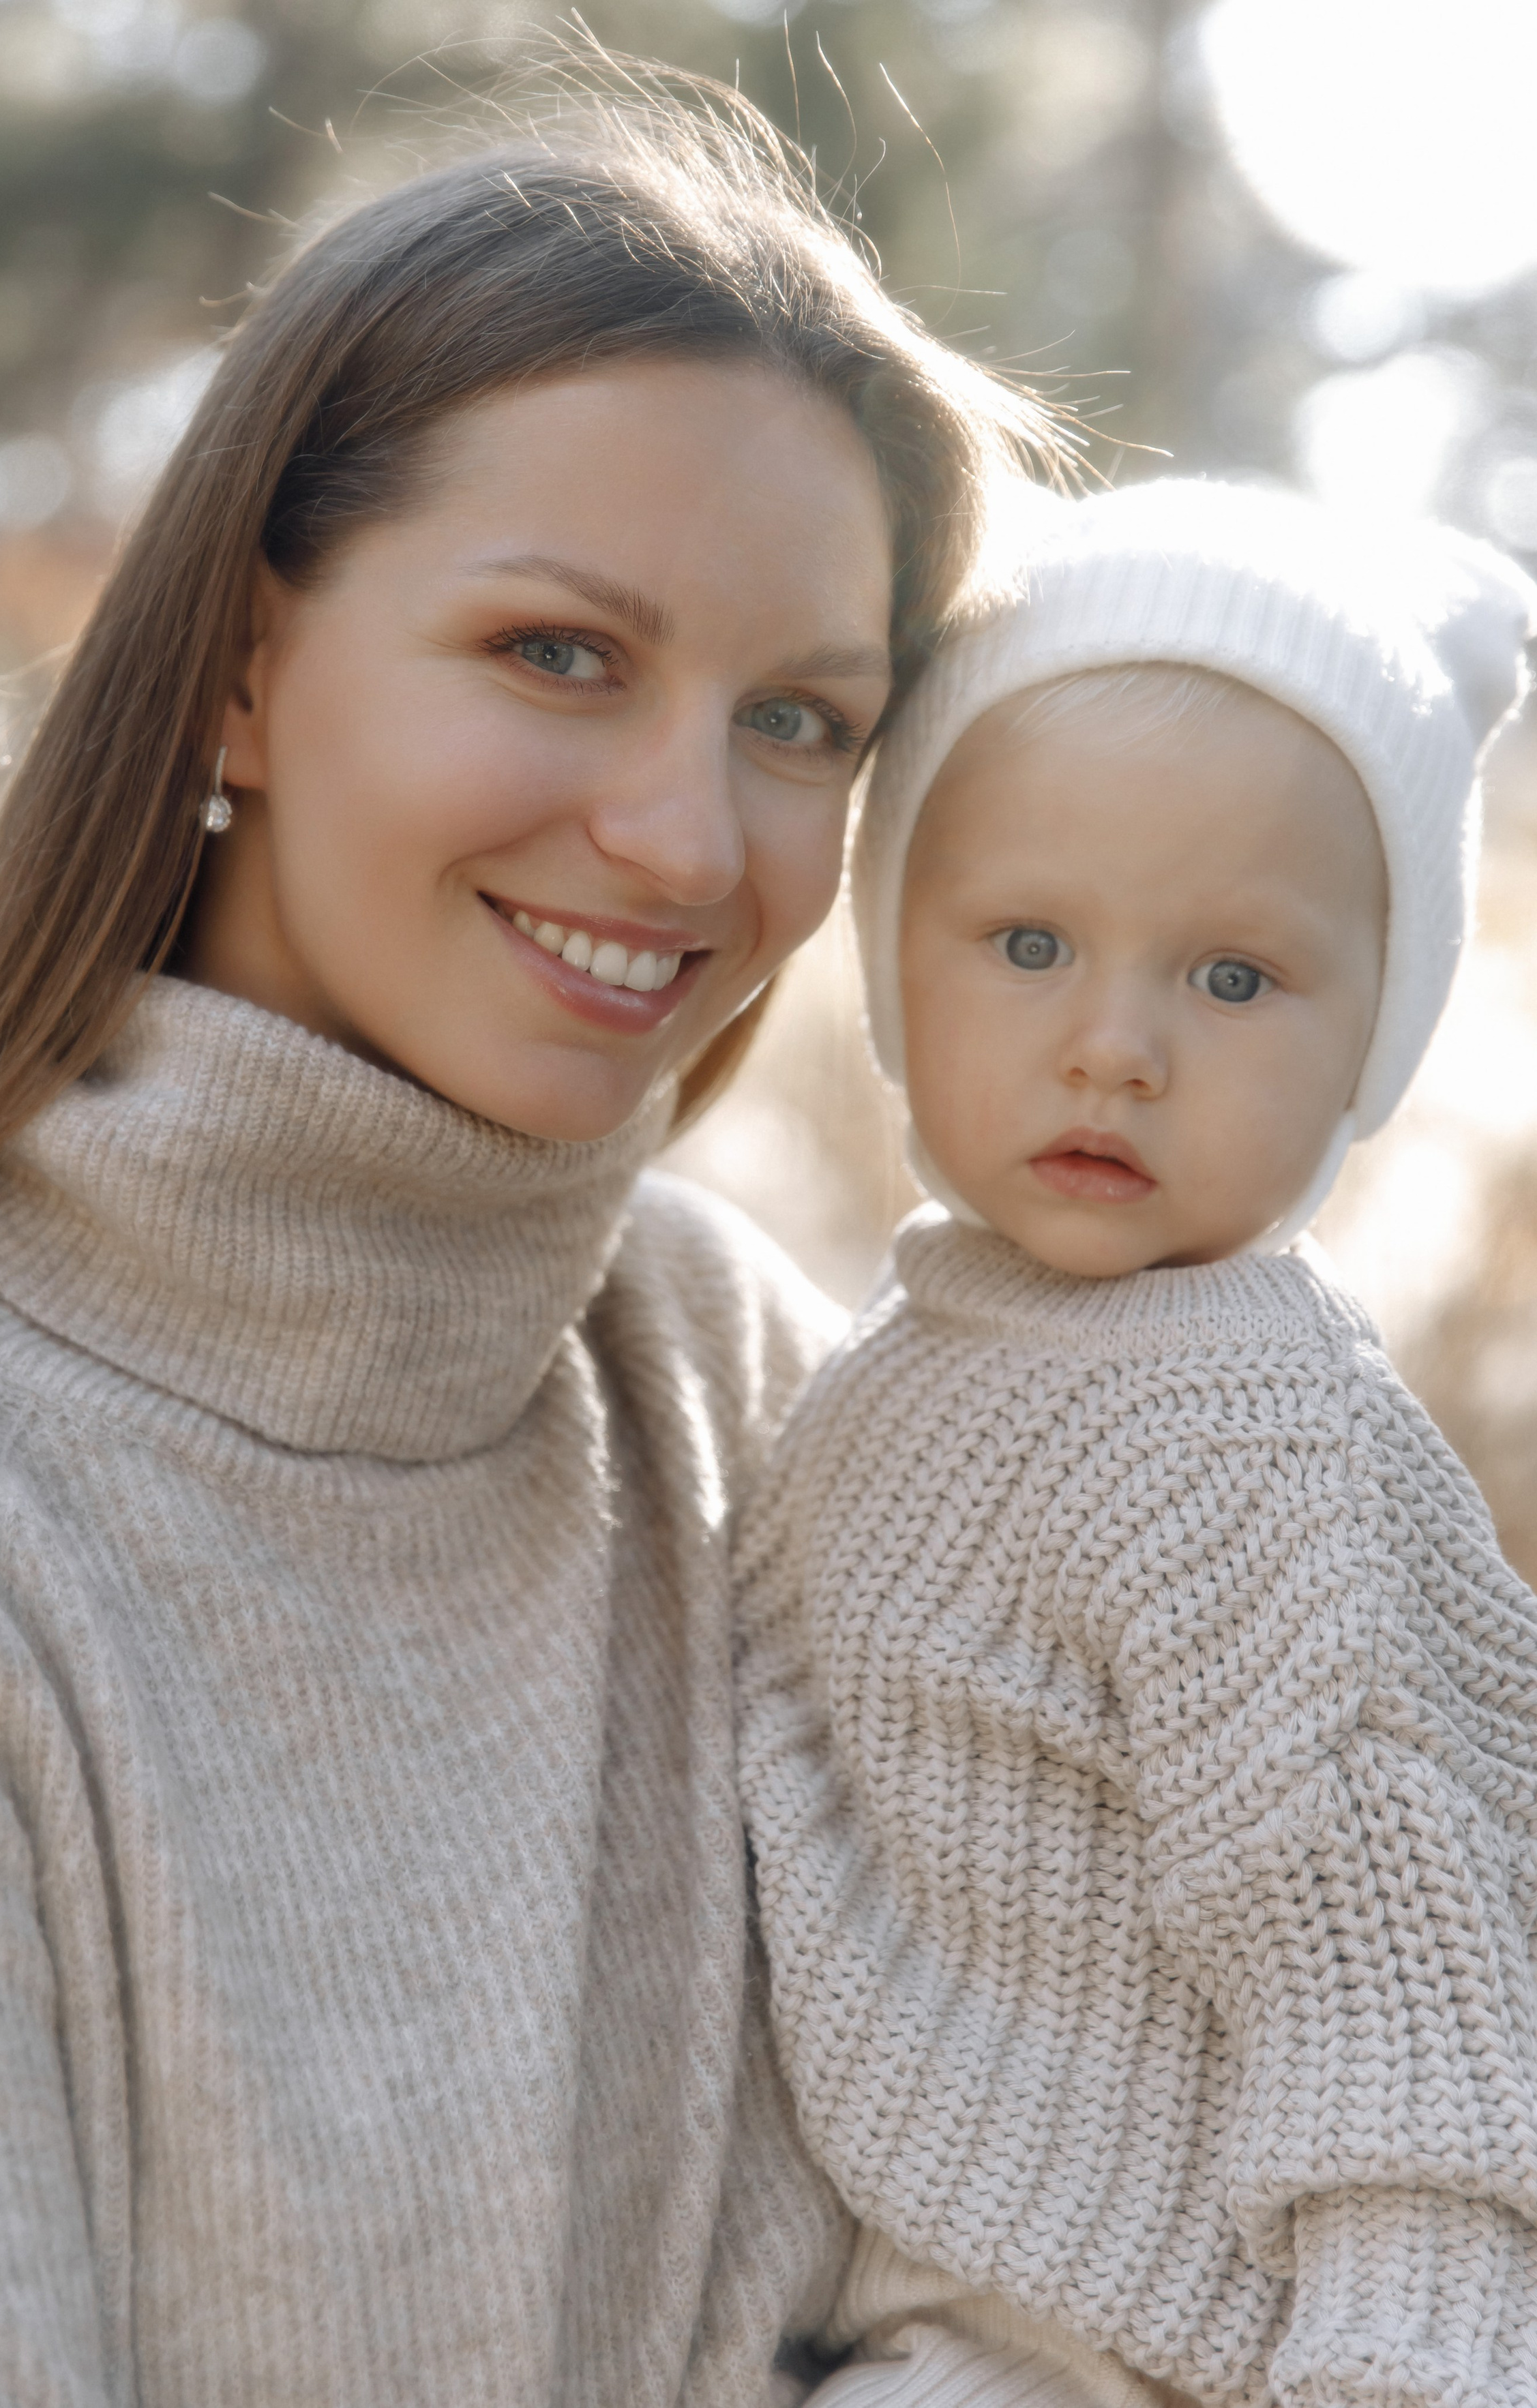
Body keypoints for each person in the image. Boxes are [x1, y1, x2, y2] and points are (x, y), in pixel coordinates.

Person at [0, 61, 1049, 2407]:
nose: (691, 841)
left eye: (800, 718)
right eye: (560, 652)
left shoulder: (765, 1392)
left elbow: (1058, 2257)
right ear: (248, 664)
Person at [734, 480, 1537, 2408]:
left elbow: (1405, 1999)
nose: (1116, 1046)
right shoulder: (912, 1358)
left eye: (1234, 978)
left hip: (1182, 2346)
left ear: (1370, 1046)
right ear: (895, 961)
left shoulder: (1237, 1435)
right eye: (1025, 941)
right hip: (940, 2307)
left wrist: (1401, 2368)